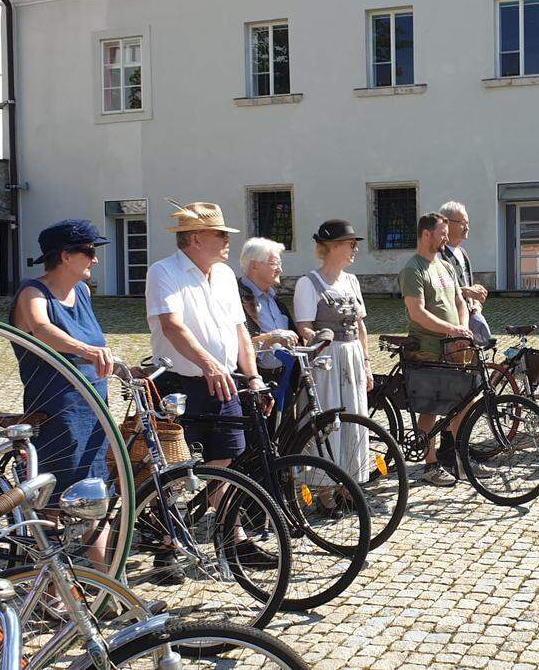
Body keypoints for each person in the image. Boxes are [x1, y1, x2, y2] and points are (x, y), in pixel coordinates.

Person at [145, 201, 270, 580]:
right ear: (196, 238)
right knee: (172, 467)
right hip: (179, 382)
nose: (227, 241)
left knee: (226, 457)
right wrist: (208, 364)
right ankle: (165, 547)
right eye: (221, 235)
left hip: (224, 380)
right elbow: (172, 327)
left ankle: (233, 537)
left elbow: (239, 331)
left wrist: (252, 377)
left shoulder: (226, 275)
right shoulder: (164, 272)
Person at [9, 219, 114, 569]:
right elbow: (41, 329)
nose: (95, 260)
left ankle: (110, 586)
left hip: (94, 404)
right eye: (89, 251)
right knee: (54, 498)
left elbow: (95, 343)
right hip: (58, 409)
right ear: (66, 256)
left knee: (95, 492)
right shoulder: (33, 294)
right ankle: (50, 590)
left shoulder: (82, 293)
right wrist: (85, 350)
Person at [399, 212, 492, 486]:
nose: (446, 238)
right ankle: (430, 465)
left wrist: (462, 329)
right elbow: (417, 313)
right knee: (430, 407)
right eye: (441, 233)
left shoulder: (446, 267)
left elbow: (460, 303)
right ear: (426, 234)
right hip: (427, 347)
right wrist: (452, 330)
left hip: (454, 347)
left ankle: (462, 459)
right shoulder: (413, 269)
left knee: (463, 403)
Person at [293, 220, 373, 511]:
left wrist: (365, 362)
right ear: (334, 246)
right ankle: (323, 487)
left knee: (354, 414)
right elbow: (304, 325)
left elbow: (361, 326)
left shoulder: (351, 281)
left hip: (351, 355)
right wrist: (318, 338)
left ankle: (349, 481)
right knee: (328, 421)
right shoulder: (308, 283)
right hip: (326, 359)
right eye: (350, 244)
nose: (354, 249)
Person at [238, 238, 298, 383]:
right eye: (274, 264)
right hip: (253, 383)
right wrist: (271, 338)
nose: (280, 270)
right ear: (254, 265)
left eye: (280, 264)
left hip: (284, 380)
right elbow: (239, 346)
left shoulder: (275, 298)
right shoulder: (236, 297)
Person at [437, 201, 491, 344]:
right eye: (462, 223)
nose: (467, 227)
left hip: (466, 322)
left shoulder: (462, 252)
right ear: (447, 223)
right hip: (449, 326)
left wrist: (475, 303)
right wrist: (466, 292)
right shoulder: (437, 255)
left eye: (467, 223)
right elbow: (437, 292)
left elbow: (467, 284)